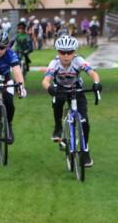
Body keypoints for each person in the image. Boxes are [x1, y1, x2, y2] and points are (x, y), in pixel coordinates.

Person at [41, 35, 101, 167]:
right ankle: (58, 127)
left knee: (84, 120)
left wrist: (96, 83)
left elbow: (93, 73)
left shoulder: (78, 61)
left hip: (76, 89)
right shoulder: (54, 63)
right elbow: (45, 80)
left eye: (70, 52)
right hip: (60, 89)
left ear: (75, 52)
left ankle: (85, 151)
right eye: (62, 52)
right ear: (58, 52)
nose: (66, 56)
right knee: (58, 101)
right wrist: (49, 87)